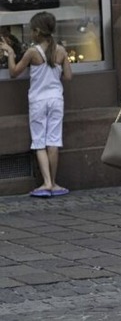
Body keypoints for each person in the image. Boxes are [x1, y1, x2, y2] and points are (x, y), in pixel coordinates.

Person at [0, 12, 72, 197]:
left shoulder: (32, 52)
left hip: (38, 101)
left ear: (37, 31)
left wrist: (10, 53)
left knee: (39, 141)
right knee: (54, 141)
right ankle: (54, 183)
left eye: (31, 30)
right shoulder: (61, 50)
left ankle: (46, 182)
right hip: (57, 99)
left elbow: (14, 72)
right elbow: (68, 76)